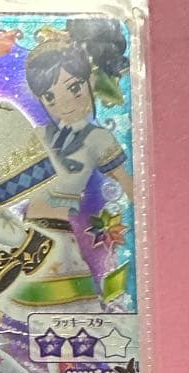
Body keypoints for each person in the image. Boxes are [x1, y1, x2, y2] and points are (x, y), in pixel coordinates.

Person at [10, 21, 134, 320]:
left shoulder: (97, 138)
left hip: (56, 239)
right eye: (50, 97)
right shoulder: (40, 135)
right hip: (24, 236)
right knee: (14, 309)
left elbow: (128, 184)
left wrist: (142, 223)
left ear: (89, 81)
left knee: (67, 315)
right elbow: (5, 178)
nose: (63, 104)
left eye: (74, 88)